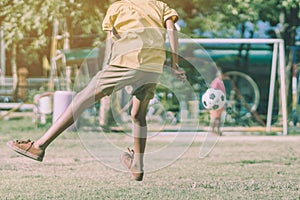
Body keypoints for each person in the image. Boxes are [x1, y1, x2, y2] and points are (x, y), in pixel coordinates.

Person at [7, 0, 186, 181]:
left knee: (82, 98)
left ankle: (39, 145)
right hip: (153, 67)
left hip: (126, 61)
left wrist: (111, 68)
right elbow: (172, 30)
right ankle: (138, 165)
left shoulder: (117, 6)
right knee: (138, 115)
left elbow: (113, 39)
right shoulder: (159, 5)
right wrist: (175, 64)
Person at [209, 67, 226, 136]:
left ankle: (218, 130)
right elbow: (213, 91)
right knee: (214, 117)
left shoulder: (220, 82)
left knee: (218, 117)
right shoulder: (216, 81)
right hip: (216, 102)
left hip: (220, 102)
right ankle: (213, 131)